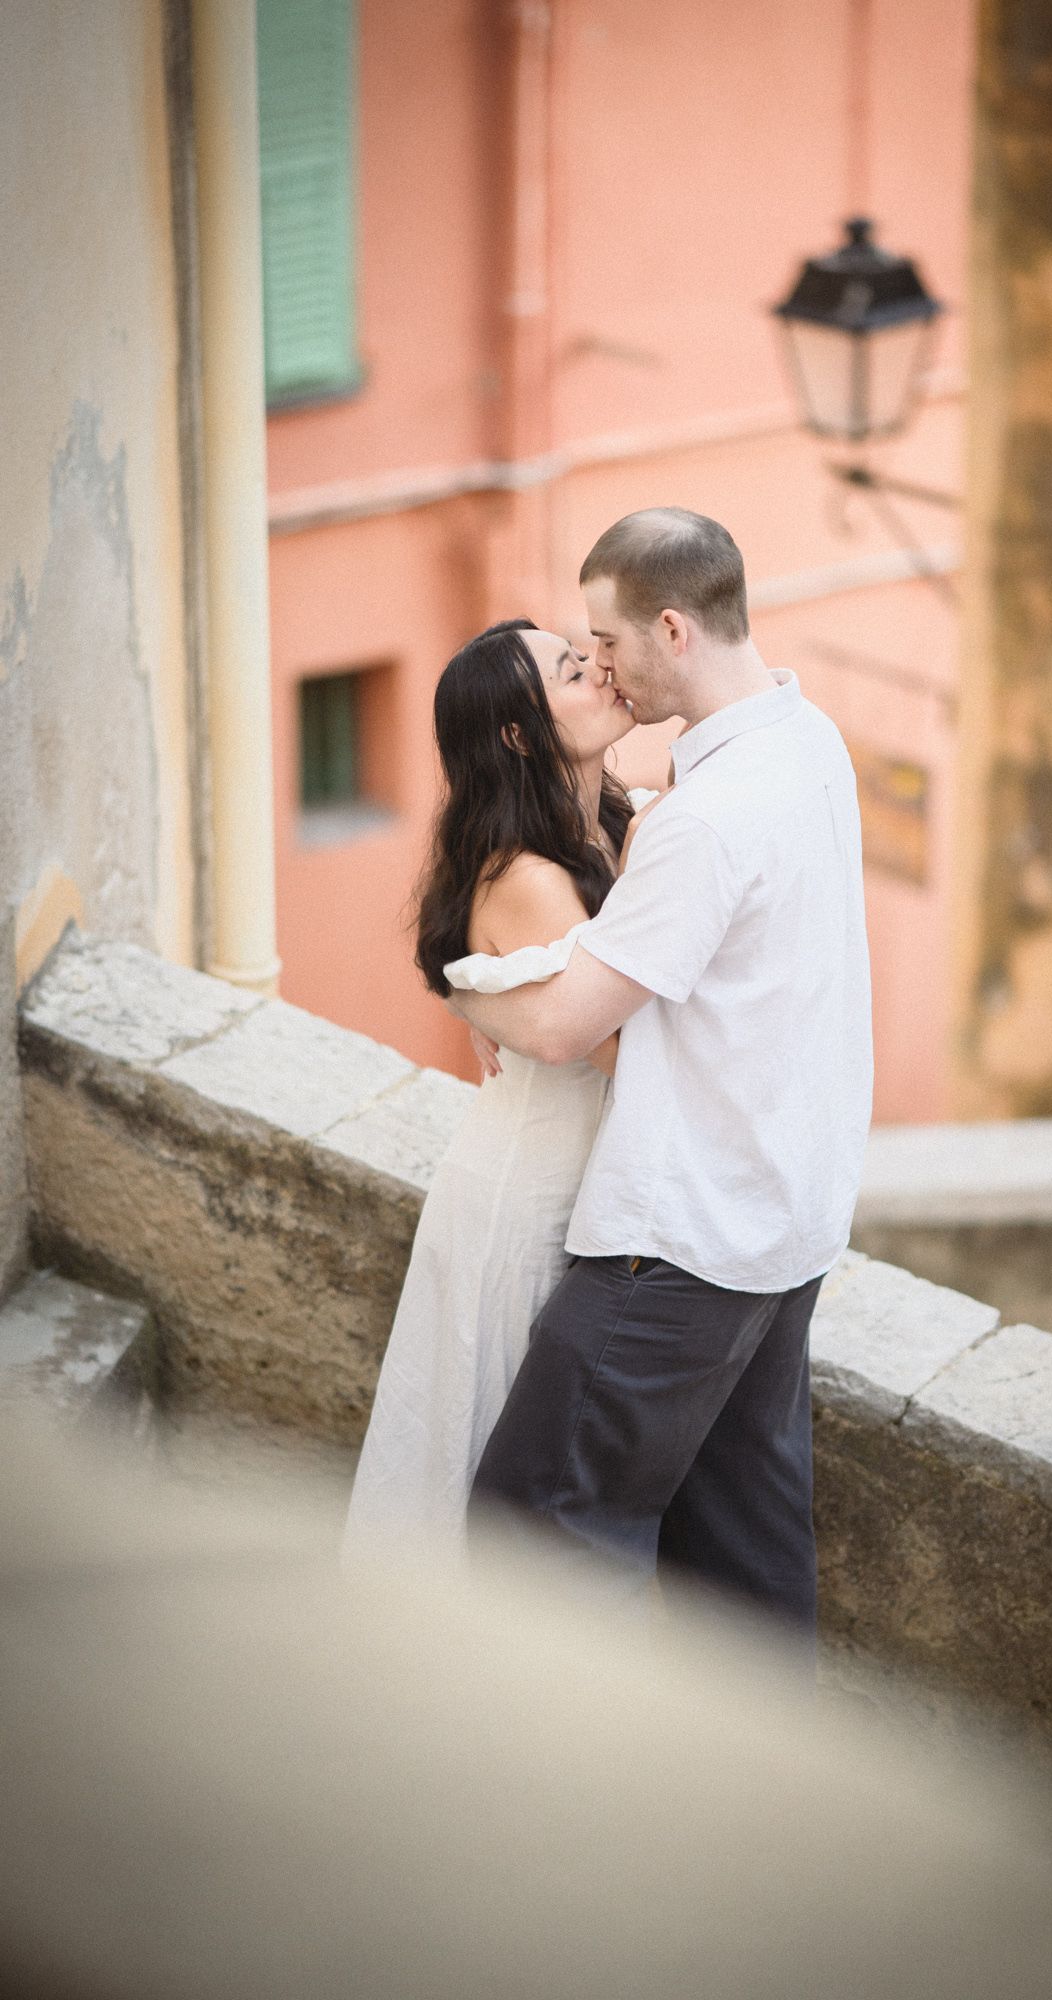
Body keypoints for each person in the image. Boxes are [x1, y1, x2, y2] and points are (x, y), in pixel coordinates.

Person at [448, 508, 874, 1651]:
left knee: (536, 1535)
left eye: (606, 637)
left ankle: (570, 1763)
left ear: (672, 629)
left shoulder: (704, 820)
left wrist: (465, 982)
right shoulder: (809, 741)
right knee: (741, 1548)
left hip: (680, 1236)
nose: (601, 663)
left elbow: (559, 1026)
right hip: (787, 1221)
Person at [343, 617, 654, 1559]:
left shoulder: (607, 824)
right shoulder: (525, 876)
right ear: (519, 733)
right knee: (482, 1455)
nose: (600, 669)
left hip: (574, 1184)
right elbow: (622, 1049)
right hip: (523, 1203)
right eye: (571, 670)